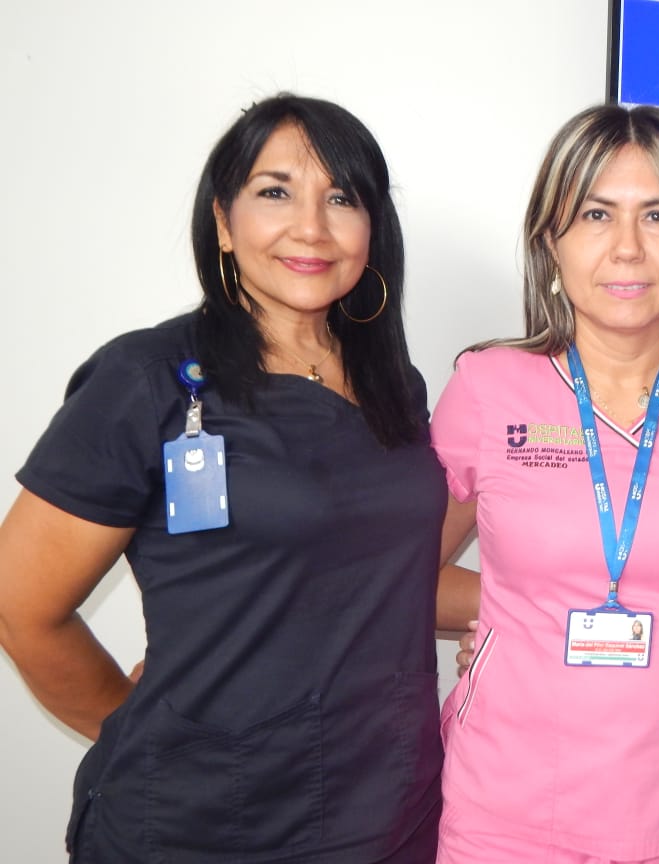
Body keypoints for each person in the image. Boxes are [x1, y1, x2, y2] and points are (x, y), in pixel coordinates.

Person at [0, 94, 445, 863]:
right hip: (199, 824)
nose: (311, 226)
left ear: (372, 230)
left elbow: (385, 570)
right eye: (275, 192)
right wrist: (144, 723)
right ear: (221, 222)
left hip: (388, 810)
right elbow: (20, 609)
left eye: (341, 198)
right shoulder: (148, 381)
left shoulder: (393, 386)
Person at [431, 104, 659, 863]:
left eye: (657, 215)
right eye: (595, 214)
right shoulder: (489, 388)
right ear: (550, 240)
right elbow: (402, 577)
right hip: (503, 810)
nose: (627, 248)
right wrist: (502, 620)